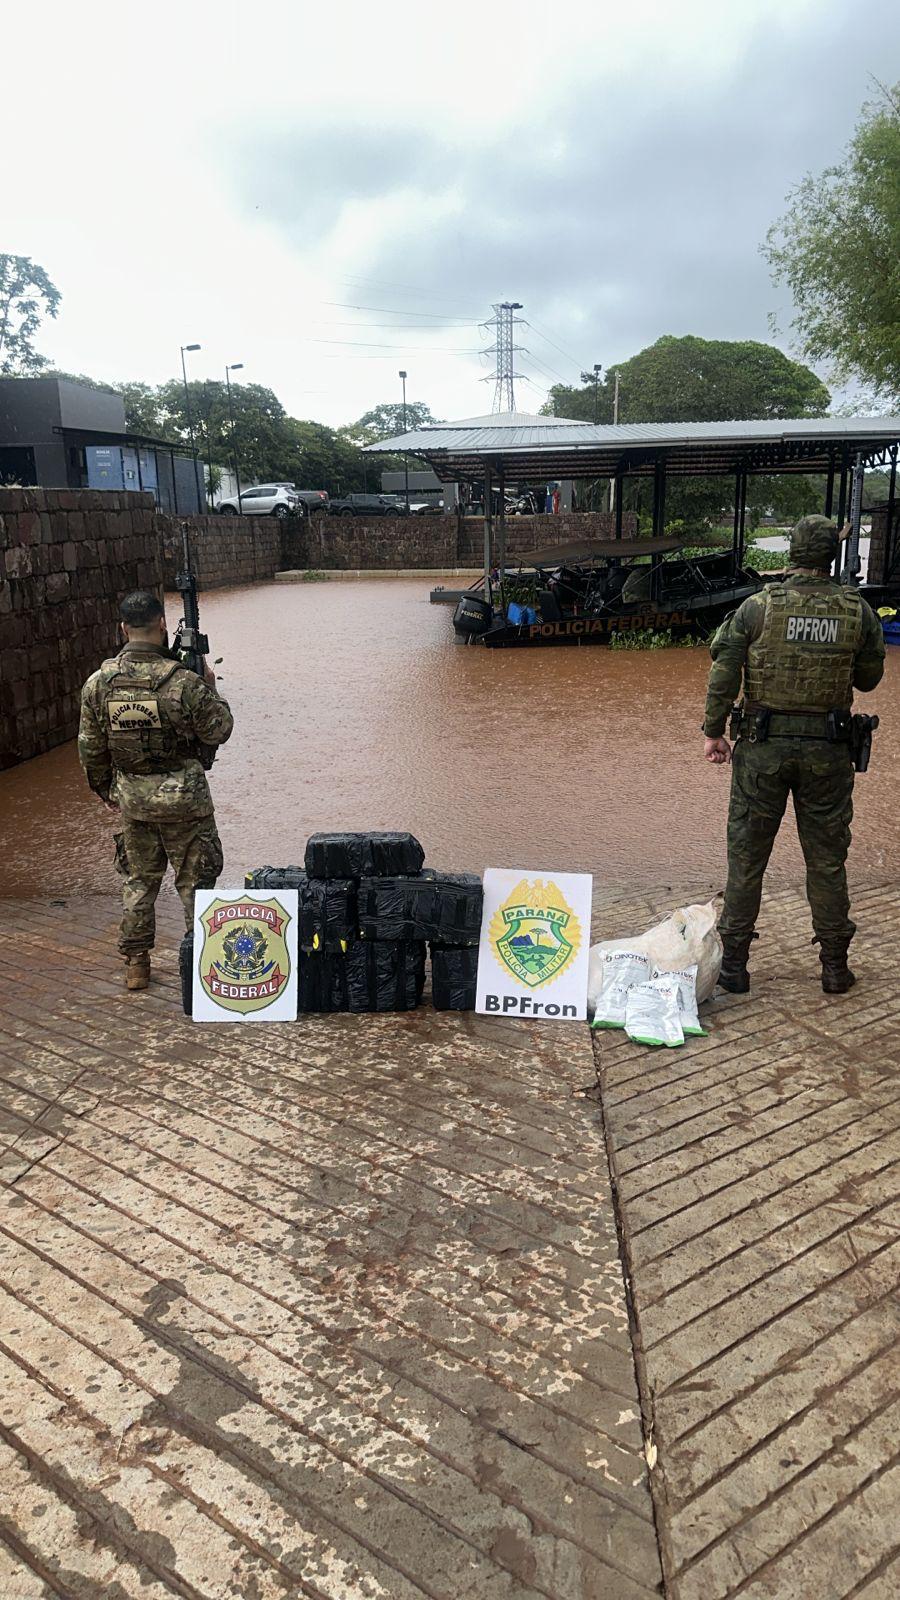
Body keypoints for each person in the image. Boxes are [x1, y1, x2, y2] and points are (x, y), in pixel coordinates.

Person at [703, 515, 884, 995]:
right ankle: (834, 968)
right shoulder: (857, 610)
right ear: (830, 555)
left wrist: (714, 732)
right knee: (826, 861)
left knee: (746, 859)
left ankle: (734, 968)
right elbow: (868, 679)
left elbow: (723, 671)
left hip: (762, 751)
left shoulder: (758, 607)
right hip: (828, 752)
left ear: (792, 553)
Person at [78, 590, 233, 990]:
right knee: (195, 885)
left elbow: (91, 749)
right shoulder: (183, 683)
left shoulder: (98, 685)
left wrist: (109, 793)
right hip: (186, 802)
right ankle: (201, 968)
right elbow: (219, 729)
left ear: (123, 628)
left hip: (134, 800)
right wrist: (210, 685)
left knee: (138, 882)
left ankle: (136, 965)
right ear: (162, 626)